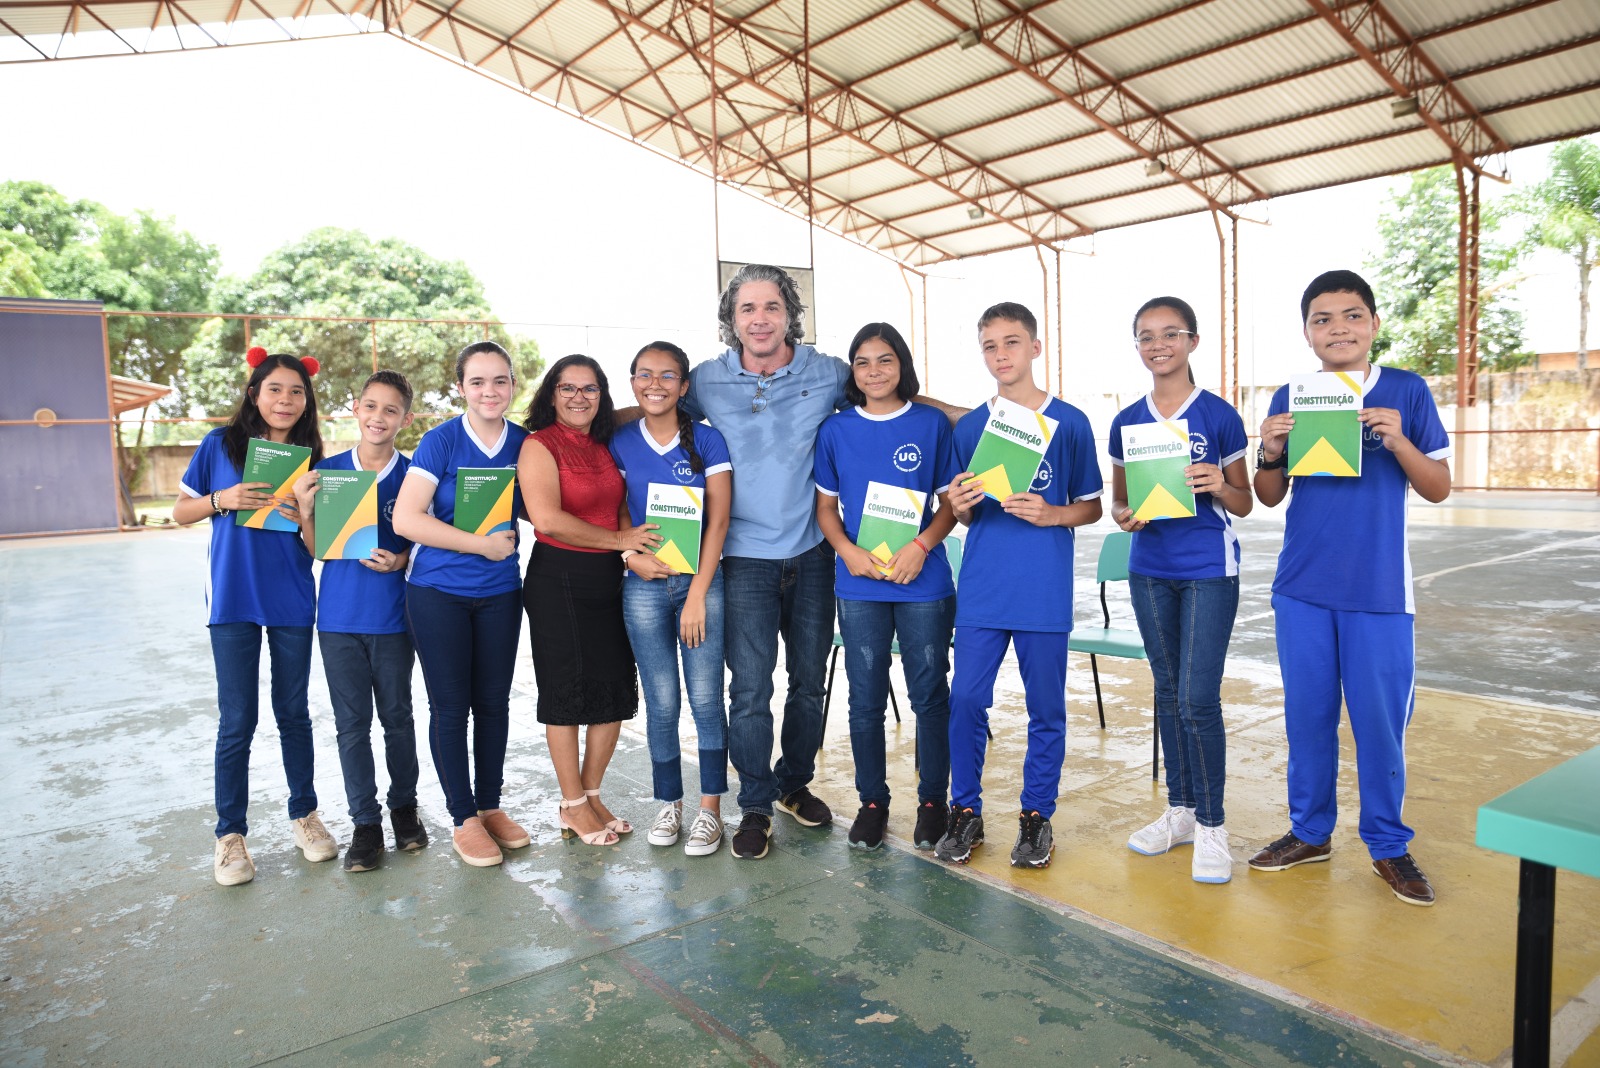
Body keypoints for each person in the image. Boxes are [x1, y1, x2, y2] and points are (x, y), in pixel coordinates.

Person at [1249, 269, 1451, 907]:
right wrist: (1270, 449)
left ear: (1374, 325)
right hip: (1302, 587)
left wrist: (1398, 440)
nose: (1339, 328)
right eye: (1323, 319)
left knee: (1378, 726)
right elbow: (1269, 495)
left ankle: (1388, 844)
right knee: (1307, 719)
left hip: (1379, 593)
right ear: (1307, 332)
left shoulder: (1406, 392)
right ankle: (1310, 832)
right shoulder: (1295, 393)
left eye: (1352, 315)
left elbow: (1439, 485)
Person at [678, 264, 849, 860]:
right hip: (740, 560)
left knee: (808, 685)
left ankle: (792, 785)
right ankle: (754, 803)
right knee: (750, 689)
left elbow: (891, 395)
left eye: (771, 307)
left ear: (789, 314)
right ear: (732, 318)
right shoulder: (704, 381)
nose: (759, 319)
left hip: (813, 552)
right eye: (747, 309)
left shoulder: (828, 373)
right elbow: (651, 404)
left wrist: (980, 415)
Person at [936, 302, 1103, 870]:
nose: (1001, 354)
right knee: (965, 702)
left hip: (1043, 592)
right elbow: (960, 511)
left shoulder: (1071, 422)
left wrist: (1052, 514)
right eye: (989, 345)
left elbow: (1092, 506)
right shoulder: (973, 427)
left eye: (1011, 342)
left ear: (1036, 347)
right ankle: (966, 810)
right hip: (983, 590)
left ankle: (1036, 818)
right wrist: (955, 506)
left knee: (1045, 709)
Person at [174, 346, 334, 886]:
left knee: (293, 714)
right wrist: (224, 497)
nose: (285, 400)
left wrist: (306, 512)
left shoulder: (314, 457)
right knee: (236, 720)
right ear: (253, 393)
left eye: (296, 391)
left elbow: (318, 548)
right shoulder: (219, 445)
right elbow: (181, 511)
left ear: (306, 401)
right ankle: (230, 836)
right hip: (234, 600)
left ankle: (305, 817)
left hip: (290, 597)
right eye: (275, 389)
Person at [1106, 297, 1253, 885]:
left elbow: (1246, 500)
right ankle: (1182, 812)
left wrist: (1219, 482)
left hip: (1207, 570)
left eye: (1170, 334)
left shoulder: (1218, 416)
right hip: (1150, 570)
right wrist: (1123, 516)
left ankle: (1214, 826)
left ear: (1192, 341)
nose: (1158, 344)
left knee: (1198, 696)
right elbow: (1118, 500)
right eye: (1146, 335)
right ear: (1137, 345)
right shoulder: (1126, 421)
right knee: (1166, 692)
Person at [814, 322, 959, 851]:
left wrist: (919, 548)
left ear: (903, 366)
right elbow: (826, 509)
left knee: (929, 695)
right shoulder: (835, 431)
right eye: (862, 362)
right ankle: (872, 802)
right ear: (852, 372)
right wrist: (848, 551)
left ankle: (932, 801)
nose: (873, 372)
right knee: (865, 700)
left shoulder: (930, 424)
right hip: (860, 583)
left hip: (922, 580)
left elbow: (950, 504)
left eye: (885, 360)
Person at [393, 340, 530, 868]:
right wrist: (480, 545)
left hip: (499, 594)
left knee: (494, 704)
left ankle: (490, 806)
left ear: (513, 386)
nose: (489, 391)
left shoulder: (526, 444)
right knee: (450, 707)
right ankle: (463, 817)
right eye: (477, 381)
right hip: (438, 593)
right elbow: (407, 519)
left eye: (500, 381)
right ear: (461, 388)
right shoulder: (441, 441)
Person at [292, 370, 428, 873]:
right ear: (356, 407)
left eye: (390, 410)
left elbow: (424, 539)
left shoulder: (414, 476)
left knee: (398, 719)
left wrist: (401, 559)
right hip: (339, 622)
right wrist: (307, 511)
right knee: (352, 726)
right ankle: (365, 824)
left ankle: (404, 809)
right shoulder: (327, 473)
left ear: (405, 419)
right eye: (371, 406)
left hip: (393, 620)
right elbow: (315, 550)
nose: (378, 417)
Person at [519, 354, 653, 847]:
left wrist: (630, 550)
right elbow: (547, 519)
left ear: (602, 395)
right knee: (568, 695)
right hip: (560, 579)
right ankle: (571, 805)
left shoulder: (604, 442)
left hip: (607, 578)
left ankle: (593, 795)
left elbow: (619, 506)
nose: (579, 397)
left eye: (590, 389)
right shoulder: (539, 445)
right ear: (551, 393)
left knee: (611, 690)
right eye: (568, 387)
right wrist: (623, 543)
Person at [611, 342, 734, 857]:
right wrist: (628, 554)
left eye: (667, 376)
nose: (654, 384)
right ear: (633, 381)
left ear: (684, 386)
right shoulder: (620, 442)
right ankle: (669, 803)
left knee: (706, 698)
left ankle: (710, 811)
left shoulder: (707, 440)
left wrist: (698, 593)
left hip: (699, 584)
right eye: (644, 374)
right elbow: (617, 512)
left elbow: (720, 521)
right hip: (642, 586)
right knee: (661, 702)